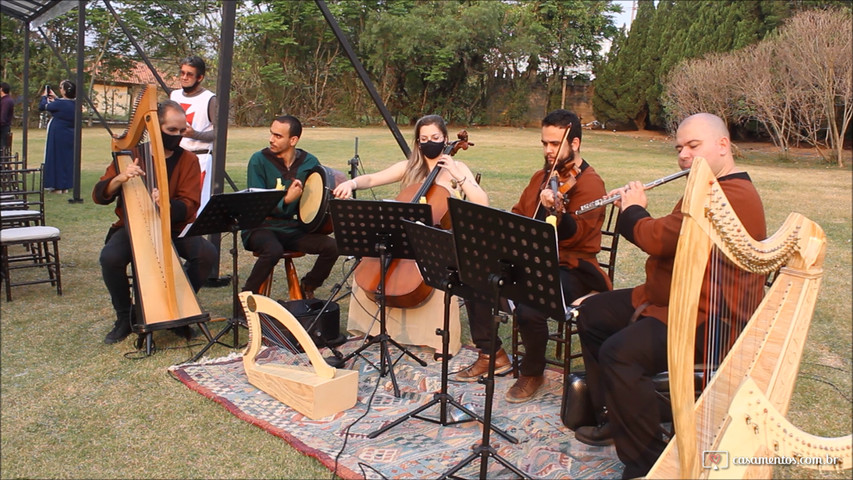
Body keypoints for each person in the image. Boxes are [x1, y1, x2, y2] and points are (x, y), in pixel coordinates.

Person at [574, 113, 766, 479]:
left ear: (723, 145)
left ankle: (646, 461)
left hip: (706, 317)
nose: (683, 155)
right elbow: (674, 235)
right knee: (593, 314)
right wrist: (636, 213)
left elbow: (659, 239)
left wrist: (632, 209)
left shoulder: (732, 195)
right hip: (671, 300)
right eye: (679, 148)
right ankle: (619, 414)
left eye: (694, 146)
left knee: (621, 354)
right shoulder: (707, 187)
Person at [451, 109, 611, 403]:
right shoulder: (541, 177)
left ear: (574, 143)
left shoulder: (590, 183)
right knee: (472, 275)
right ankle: (492, 353)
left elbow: (577, 236)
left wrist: (557, 214)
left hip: (572, 268)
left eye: (554, 144)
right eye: (544, 143)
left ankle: (532, 372)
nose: (548, 150)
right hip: (530, 260)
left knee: (530, 303)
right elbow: (518, 214)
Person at [93, 100, 217, 344]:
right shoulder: (130, 156)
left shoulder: (188, 160)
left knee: (206, 254)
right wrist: (120, 178)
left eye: (182, 131)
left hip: (173, 226)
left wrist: (167, 205)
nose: (178, 136)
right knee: (110, 258)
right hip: (133, 227)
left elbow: (190, 204)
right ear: (153, 128)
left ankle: (181, 307)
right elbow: (99, 195)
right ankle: (124, 317)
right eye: (171, 130)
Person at [241, 115, 338, 299]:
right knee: (273, 250)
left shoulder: (310, 162)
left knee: (331, 246)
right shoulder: (258, 160)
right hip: (261, 227)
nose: (271, 139)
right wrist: (286, 200)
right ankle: (246, 298)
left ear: (293, 140)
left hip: (292, 228)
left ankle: (309, 285)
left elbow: (318, 196)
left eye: (278, 136)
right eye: (271, 134)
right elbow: (256, 204)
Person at [169, 55, 217, 208]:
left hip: (200, 159)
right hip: (176, 157)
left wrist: (194, 134)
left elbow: (219, 134)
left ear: (200, 77)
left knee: (195, 206)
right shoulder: (174, 95)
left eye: (189, 74)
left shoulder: (209, 99)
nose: (184, 77)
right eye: (182, 73)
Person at [38, 80, 76, 193]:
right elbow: (64, 104)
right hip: (69, 134)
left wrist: (45, 97)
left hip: (57, 133)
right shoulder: (75, 103)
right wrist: (56, 97)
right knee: (66, 159)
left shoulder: (61, 104)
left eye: (61, 88)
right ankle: (65, 185)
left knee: (55, 158)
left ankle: (56, 185)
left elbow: (42, 107)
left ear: (64, 91)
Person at [0, 81, 13, 154]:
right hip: (4, 127)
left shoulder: (6, 101)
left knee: (3, 147)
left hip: (3, 128)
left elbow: (3, 117)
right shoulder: (5, 100)